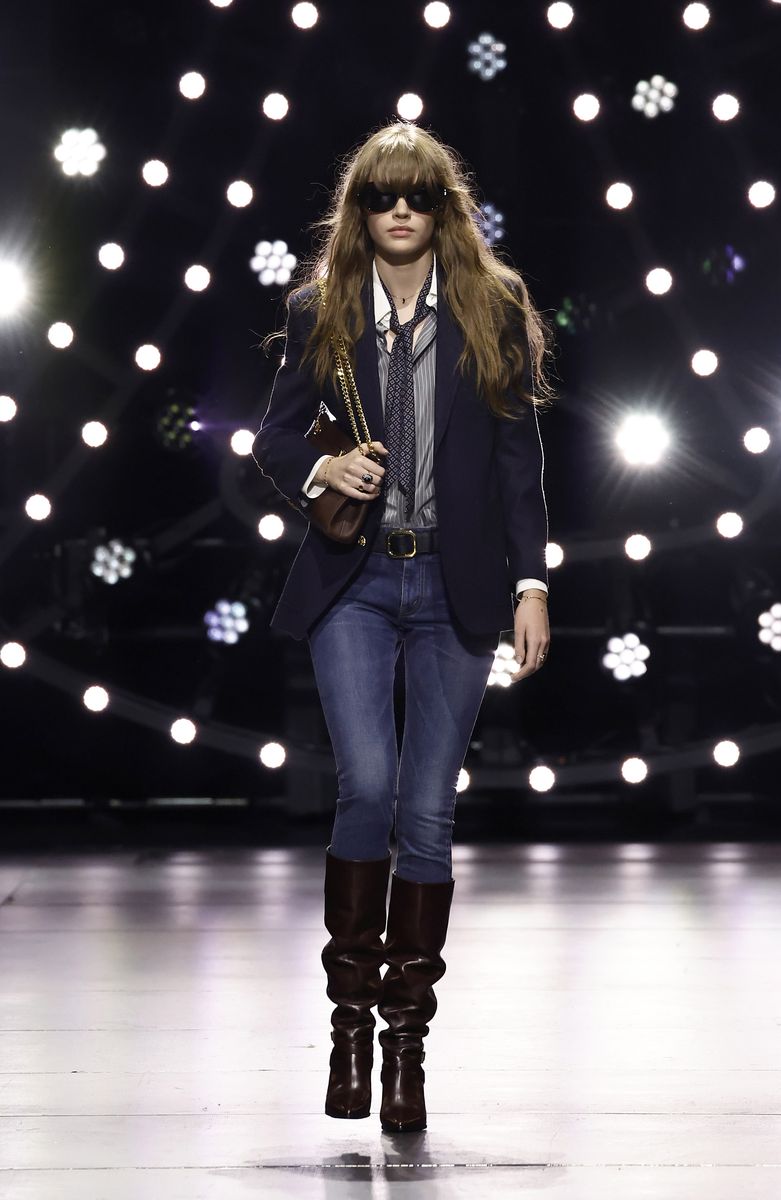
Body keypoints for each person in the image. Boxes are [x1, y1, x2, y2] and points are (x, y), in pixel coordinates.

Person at [251, 120, 554, 1133]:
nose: (397, 210)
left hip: (456, 591)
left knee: (426, 811)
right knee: (368, 787)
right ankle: (345, 1027)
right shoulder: (321, 310)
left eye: (416, 196)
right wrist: (319, 467)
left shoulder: (490, 308)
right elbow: (264, 435)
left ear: (440, 211)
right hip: (354, 583)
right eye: (381, 194)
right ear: (360, 208)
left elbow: (519, 464)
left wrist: (531, 584)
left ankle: (404, 1049)